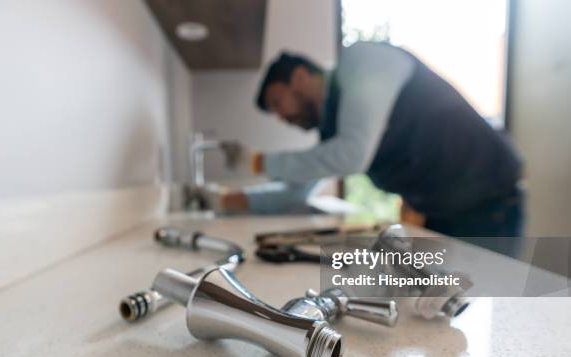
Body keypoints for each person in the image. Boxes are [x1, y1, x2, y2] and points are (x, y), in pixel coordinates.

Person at [219, 41, 523, 237]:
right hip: (441, 216)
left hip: (489, 208)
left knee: (487, 322)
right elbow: (298, 190)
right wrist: (234, 200)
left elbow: (352, 155)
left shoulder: (362, 61)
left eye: (277, 102)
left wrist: (258, 161)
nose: (281, 117)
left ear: (299, 77)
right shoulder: (333, 129)